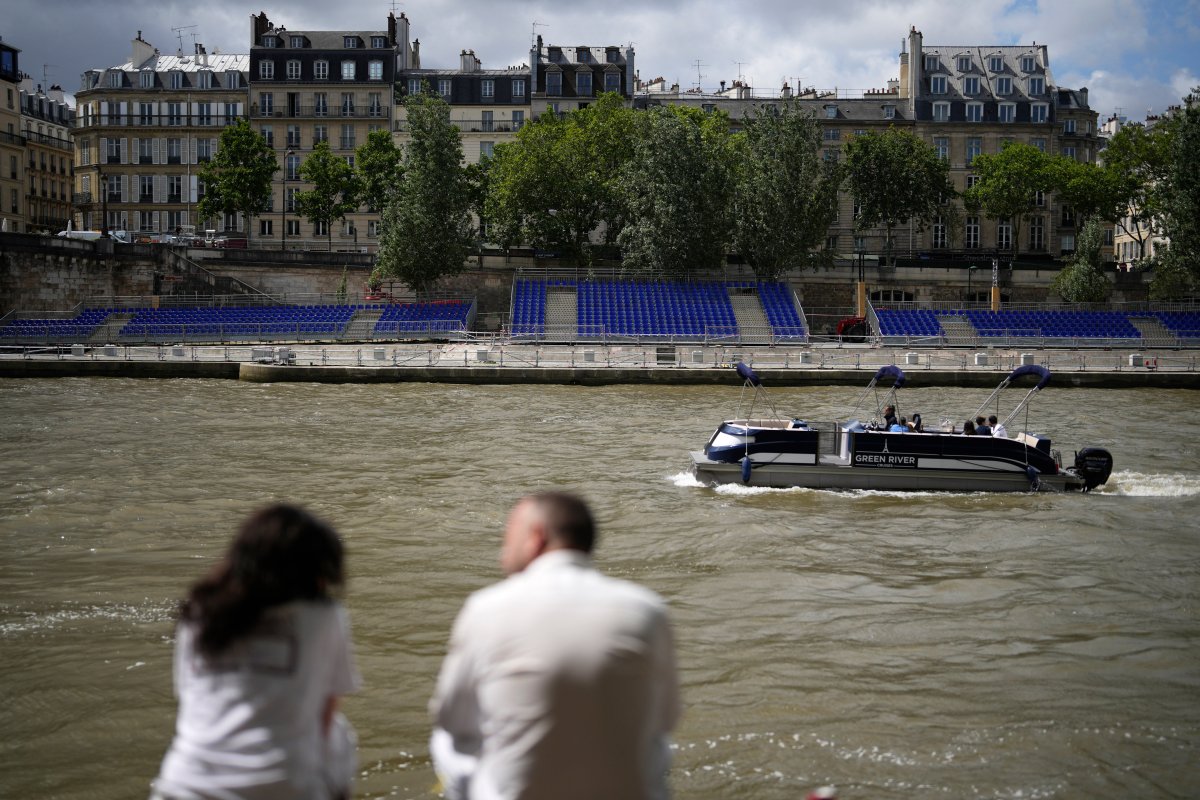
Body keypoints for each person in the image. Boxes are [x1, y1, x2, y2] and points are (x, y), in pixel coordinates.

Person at [430, 492, 681, 800]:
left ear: (536, 537)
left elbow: (451, 718)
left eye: (508, 535)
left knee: (447, 740)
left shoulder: (486, 608)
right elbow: (667, 719)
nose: (502, 550)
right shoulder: (647, 610)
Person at [152, 505, 360, 800]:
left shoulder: (198, 613)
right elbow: (326, 714)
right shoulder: (323, 616)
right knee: (340, 736)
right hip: (286, 786)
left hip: (185, 784)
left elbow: (189, 698)